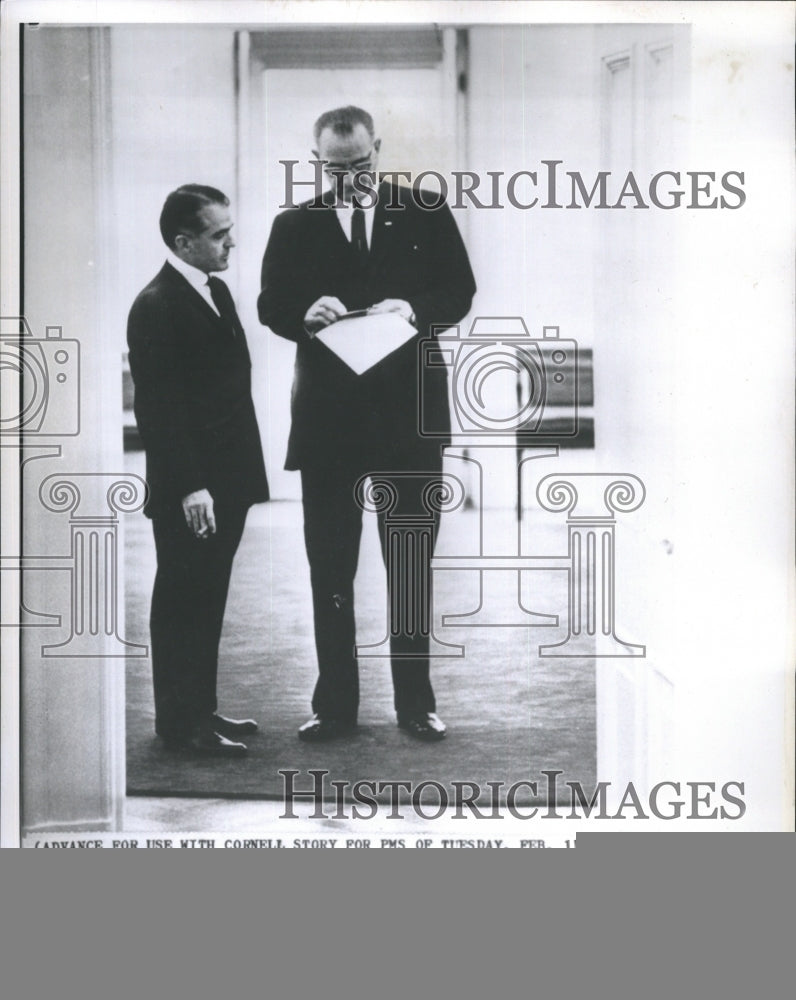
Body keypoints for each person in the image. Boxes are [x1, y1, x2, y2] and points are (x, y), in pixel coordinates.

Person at [258, 106, 475, 742]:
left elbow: (459, 292)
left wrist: (414, 308)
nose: (350, 176)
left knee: (409, 565)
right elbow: (271, 304)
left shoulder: (427, 211)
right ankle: (335, 707)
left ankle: (416, 704)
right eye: (336, 166)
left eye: (362, 164)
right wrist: (305, 311)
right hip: (331, 422)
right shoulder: (294, 224)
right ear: (316, 159)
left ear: (378, 148)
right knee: (330, 568)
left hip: (409, 419)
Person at [128, 184, 269, 756]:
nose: (231, 241)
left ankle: (199, 712)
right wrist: (190, 486)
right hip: (195, 487)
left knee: (206, 595)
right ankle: (180, 726)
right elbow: (158, 408)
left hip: (224, 479)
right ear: (184, 242)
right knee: (184, 597)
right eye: (218, 234)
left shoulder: (216, 291)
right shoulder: (157, 303)